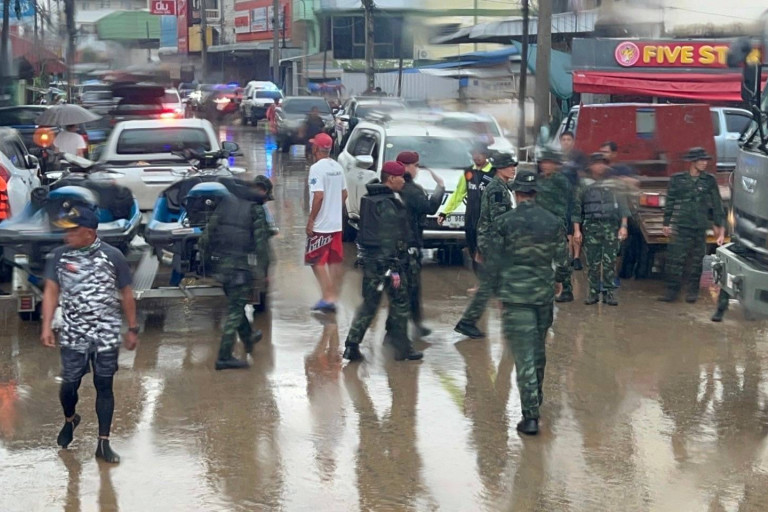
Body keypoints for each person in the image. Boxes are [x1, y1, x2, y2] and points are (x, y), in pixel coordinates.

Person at [41, 206, 138, 463]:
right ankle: (70, 419)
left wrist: (132, 328)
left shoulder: (113, 256)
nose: (67, 236)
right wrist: (46, 325)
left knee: (104, 385)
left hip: (106, 333)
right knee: (68, 386)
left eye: (72, 231)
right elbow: (51, 291)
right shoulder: (59, 256)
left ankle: (103, 443)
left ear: (89, 232)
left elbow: (126, 293)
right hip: (74, 333)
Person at [487, 170, 568, 435]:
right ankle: (536, 399)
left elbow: (493, 261)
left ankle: (530, 416)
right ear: (536, 193)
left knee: (523, 356)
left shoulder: (504, 222)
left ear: (516, 192)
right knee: (538, 350)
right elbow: (563, 259)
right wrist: (559, 281)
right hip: (542, 295)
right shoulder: (553, 222)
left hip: (515, 297)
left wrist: (497, 292)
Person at [343, 161, 423, 362]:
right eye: (401, 177)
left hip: (371, 262)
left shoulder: (370, 198)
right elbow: (391, 237)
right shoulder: (387, 204)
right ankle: (402, 349)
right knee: (400, 303)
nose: (403, 181)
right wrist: (396, 263)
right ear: (391, 178)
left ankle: (351, 344)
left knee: (369, 305)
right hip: (388, 263)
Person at [201, 177, 271, 370]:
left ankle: (249, 337)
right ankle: (224, 357)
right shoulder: (256, 210)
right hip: (240, 267)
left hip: (220, 266)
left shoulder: (226, 203)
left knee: (236, 304)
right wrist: (262, 272)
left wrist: (206, 265)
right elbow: (261, 245)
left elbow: (205, 237)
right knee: (235, 311)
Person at [454, 152, 517, 339]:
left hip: (490, 241)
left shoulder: (500, 186)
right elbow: (499, 220)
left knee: (494, 284)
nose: (513, 169)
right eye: (509, 166)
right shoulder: (497, 189)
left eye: (513, 166)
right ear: (499, 169)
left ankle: (503, 320)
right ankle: (468, 322)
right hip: (494, 243)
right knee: (490, 284)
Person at [660, 147, 725, 304]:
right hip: (682, 225)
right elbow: (670, 201)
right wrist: (666, 222)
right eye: (701, 160)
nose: (704, 163)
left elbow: (717, 204)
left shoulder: (709, 180)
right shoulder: (678, 179)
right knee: (675, 260)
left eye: (705, 160)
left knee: (696, 261)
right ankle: (672, 291)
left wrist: (719, 225)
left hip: (699, 226)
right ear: (693, 162)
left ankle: (692, 292)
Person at [396, 151, 445, 337]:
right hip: (410, 243)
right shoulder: (411, 189)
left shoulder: (391, 186)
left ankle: (408, 326)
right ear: (406, 166)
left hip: (394, 243)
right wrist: (440, 187)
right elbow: (430, 207)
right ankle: (408, 328)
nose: (417, 169)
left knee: (399, 288)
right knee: (412, 287)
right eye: (415, 166)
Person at [573, 153, 630, 306]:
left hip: (610, 227)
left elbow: (623, 205)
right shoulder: (583, 185)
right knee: (592, 263)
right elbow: (577, 208)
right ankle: (592, 293)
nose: (600, 166)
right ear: (591, 166)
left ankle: (609, 293)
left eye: (602, 163)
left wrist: (624, 226)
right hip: (591, 226)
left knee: (610, 262)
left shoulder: (613, 184)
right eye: (596, 163)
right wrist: (577, 230)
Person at [438, 142, 496, 276]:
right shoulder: (468, 172)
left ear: (486, 155)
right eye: (474, 154)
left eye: (480, 154)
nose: (477, 156)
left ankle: (487, 281)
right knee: (473, 251)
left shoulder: (494, 173)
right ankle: (480, 280)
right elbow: (458, 194)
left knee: (485, 252)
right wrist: (445, 212)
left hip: (487, 221)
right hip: (471, 219)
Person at [306, 133, 347, 312]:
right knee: (334, 260)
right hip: (336, 224)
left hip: (321, 225)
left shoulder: (316, 168)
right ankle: (334, 296)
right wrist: (335, 210)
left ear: (316, 148)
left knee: (316, 261)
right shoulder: (337, 167)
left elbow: (319, 195)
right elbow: (344, 194)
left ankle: (328, 298)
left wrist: (311, 220)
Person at [535, 148, 576, 303]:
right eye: (543, 163)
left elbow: (572, 201)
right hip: (540, 225)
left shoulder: (561, 180)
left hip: (557, 224)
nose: (545, 166)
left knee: (561, 260)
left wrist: (572, 226)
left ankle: (566, 290)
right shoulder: (538, 180)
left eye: (549, 162)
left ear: (555, 164)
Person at [559, 131, 587, 271]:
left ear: (573, 141)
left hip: (575, 195)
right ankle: (569, 255)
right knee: (565, 229)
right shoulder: (556, 157)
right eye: (563, 139)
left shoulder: (579, 157)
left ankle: (576, 257)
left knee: (576, 226)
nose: (566, 142)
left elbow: (583, 175)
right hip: (560, 197)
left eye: (568, 139)